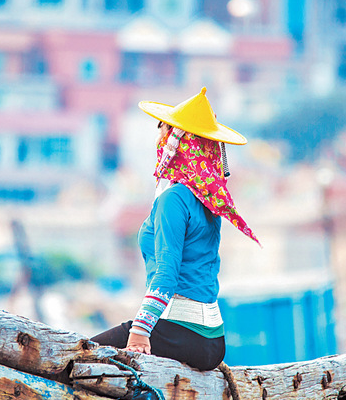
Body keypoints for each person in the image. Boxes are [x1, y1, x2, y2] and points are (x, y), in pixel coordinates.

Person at [92, 87, 259, 372]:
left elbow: (166, 275)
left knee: (80, 355)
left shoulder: (174, 198)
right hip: (213, 341)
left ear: (179, 142)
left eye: (163, 130)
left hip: (183, 333)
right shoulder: (207, 199)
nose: (159, 138)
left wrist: (141, 331)